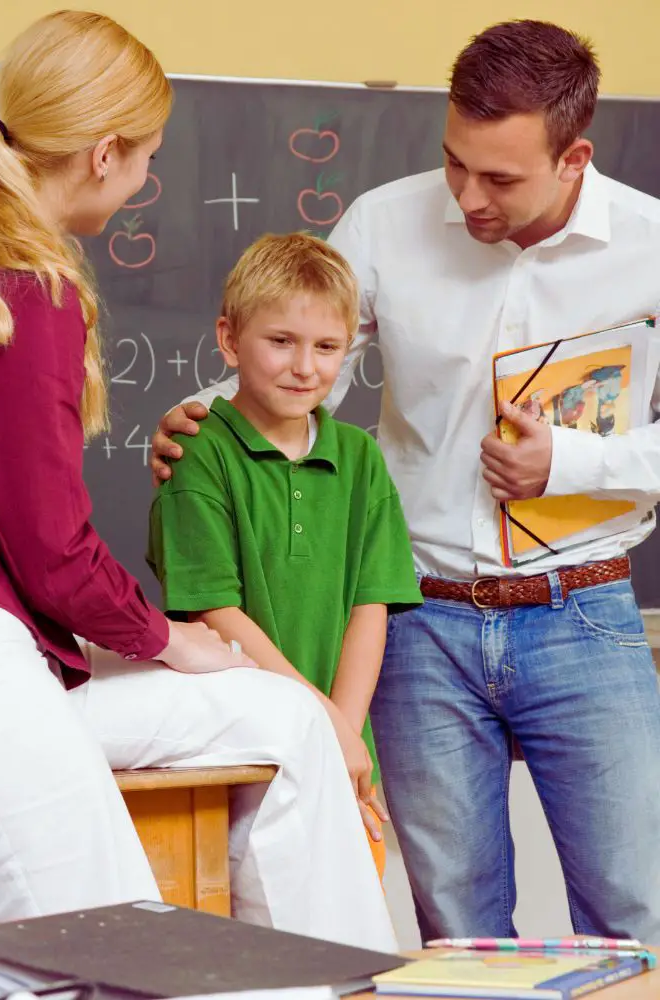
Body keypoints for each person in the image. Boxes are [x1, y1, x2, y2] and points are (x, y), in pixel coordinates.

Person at [0, 10, 396, 952]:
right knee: (112, 960)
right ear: (104, 153)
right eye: (148, 156)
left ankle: (342, 974)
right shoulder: (14, 277)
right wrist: (162, 638)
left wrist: (167, 647)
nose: (148, 179)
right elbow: (51, 548)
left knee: (283, 718)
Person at [151, 19, 660, 943]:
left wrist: (576, 462)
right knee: (455, 921)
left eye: (500, 177)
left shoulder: (650, 243)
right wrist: (209, 425)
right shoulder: (386, 220)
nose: (467, 195)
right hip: (419, 622)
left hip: (584, 611)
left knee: (636, 912)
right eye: (455, 161)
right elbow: (305, 367)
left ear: (574, 156)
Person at [146, 233, 422, 874]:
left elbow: (369, 605)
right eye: (281, 342)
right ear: (229, 339)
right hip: (239, 749)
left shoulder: (359, 457)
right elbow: (217, 611)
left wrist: (345, 736)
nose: (305, 367)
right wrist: (321, 723)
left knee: (352, 934)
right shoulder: (199, 451)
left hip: (345, 752)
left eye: (327, 347)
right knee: (252, 933)